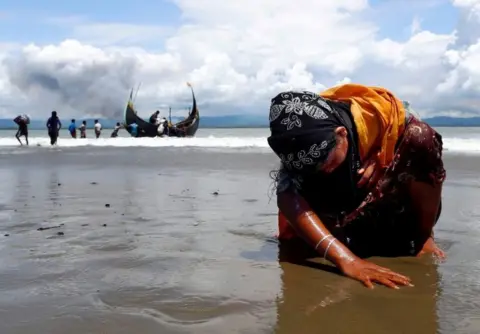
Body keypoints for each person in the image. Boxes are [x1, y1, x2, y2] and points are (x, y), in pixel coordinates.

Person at [267, 85, 446, 290]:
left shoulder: (393, 119)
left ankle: (423, 236)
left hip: (391, 206)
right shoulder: (299, 141)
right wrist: (346, 260)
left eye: (323, 162)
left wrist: (383, 152)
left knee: (420, 137)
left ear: (341, 134)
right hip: (344, 209)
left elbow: (426, 166)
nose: (320, 171)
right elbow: (287, 195)